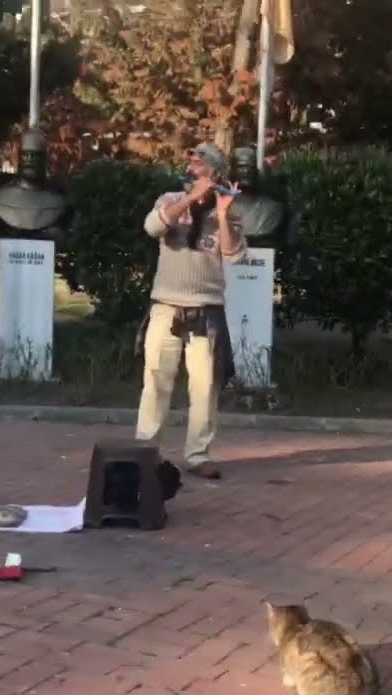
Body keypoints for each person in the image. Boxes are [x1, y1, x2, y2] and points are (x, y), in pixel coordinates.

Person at [135, 143, 245, 480]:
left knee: (205, 386)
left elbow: (234, 254)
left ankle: (198, 455)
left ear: (215, 171)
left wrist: (222, 214)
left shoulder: (228, 207)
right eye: (191, 161)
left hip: (206, 308)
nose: (192, 166)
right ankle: (145, 451)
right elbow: (152, 227)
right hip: (167, 306)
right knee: (156, 380)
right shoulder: (170, 199)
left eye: (200, 163)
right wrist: (190, 198)